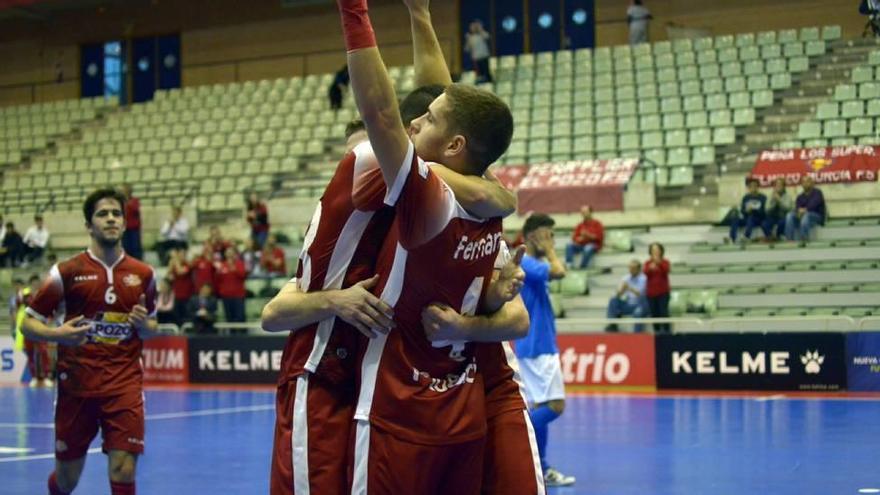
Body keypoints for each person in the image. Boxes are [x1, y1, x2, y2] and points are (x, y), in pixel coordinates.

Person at [262, 2, 534, 493]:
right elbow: (391, 115)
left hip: (387, 368)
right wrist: (501, 194)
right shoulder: (374, 160)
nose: (413, 128)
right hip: (321, 362)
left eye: (425, 122)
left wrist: (420, 15)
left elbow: (446, 107)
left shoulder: (435, 193)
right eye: (419, 120)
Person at [21, 187, 159, 495]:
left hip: (124, 384)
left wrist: (144, 325)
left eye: (116, 214)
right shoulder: (66, 272)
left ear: (124, 223)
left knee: (124, 468)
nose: (111, 219)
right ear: (89, 225)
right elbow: (27, 323)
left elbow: (152, 326)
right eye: (102, 214)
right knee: (67, 479)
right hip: (77, 387)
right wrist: (59, 335)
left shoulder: (144, 274)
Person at [515, 214, 576, 487]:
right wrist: (550, 251)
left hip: (535, 345)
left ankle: (541, 466)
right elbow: (560, 271)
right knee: (555, 406)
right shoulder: (527, 262)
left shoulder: (531, 264)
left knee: (542, 404)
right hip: (538, 346)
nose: (551, 240)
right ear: (531, 237)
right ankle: (512, 434)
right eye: (547, 235)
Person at [606, 259, 648, 332]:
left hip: (640, 304)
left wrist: (629, 288)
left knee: (638, 313)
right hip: (628, 304)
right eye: (629, 268)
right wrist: (621, 290)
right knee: (613, 300)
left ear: (638, 269)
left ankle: (637, 335)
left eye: (633, 268)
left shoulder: (644, 278)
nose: (630, 270)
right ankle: (613, 324)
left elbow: (640, 294)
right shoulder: (626, 277)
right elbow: (617, 294)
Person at [784, 175, 826, 242]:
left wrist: (805, 210)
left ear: (812, 183)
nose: (805, 183)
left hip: (817, 217)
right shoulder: (800, 196)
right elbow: (797, 208)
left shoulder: (817, 192)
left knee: (806, 215)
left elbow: (814, 204)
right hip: (803, 217)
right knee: (790, 215)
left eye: (807, 181)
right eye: (803, 182)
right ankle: (789, 239)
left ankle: (804, 239)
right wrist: (798, 212)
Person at [214, 246, 247, 330]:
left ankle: (243, 336)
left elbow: (243, 275)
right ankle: (231, 336)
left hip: (238, 295)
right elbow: (218, 280)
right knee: (229, 318)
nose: (229, 253)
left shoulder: (240, 263)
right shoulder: (222, 265)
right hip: (226, 296)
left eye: (231, 251)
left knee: (240, 317)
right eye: (228, 251)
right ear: (225, 254)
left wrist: (234, 268)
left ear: (235, 253)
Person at [644, 242, 671, 333]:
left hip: (663, 292)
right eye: (653, 250)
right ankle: (657, 332)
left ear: (661, 251)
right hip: (651, 293)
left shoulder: (665, 262)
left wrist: (659, 263)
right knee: (654, 314)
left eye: (657, 250)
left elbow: (666, 271)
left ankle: (667, 332)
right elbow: (646, 273)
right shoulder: (647, 263)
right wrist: (650, 268)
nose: (655, 252)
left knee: (664, 312)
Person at [730, 178, 766, 243]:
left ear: (758, 187)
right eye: (751, 186)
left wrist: (754, 210)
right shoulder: (746, 198)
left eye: (755, 186)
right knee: (735, 218)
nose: (753, 188)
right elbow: (742, 211)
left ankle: (746, 236)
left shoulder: (762, 198)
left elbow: (764, 212)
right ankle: (732, 238)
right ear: (749, 188)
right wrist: (746, 211)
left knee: (751, 217)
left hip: (757, 219)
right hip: (747, 218)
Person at [167, 248, 194, 327]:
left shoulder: (188, 264)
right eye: (180, 255)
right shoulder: (175, 264)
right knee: (177, 317)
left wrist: (174, 259)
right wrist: (171, 263)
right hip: (177, 295)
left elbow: (180, 271)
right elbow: (169, 276)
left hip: (187, 296)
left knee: (187, 316)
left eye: (183, 255)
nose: (182, 256)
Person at [465, 19, 492, 83]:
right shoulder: (470, 38)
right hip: (476, 58)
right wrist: (467, 40)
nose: (473, 28)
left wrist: (480, 29)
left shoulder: (482, 34)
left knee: (486, 72)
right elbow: (467, 49)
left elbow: (487, 37)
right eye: (472, 27)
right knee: (479, 74)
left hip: (484, 56)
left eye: (475, 27)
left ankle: (488, 82)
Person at [120, 184, 143, 260]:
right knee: (126, 248)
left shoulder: (135, 200)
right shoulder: (121, 202)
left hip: (134, 229)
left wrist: (127, 202)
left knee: (135, 248)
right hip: (124, 228)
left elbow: (135, 209)